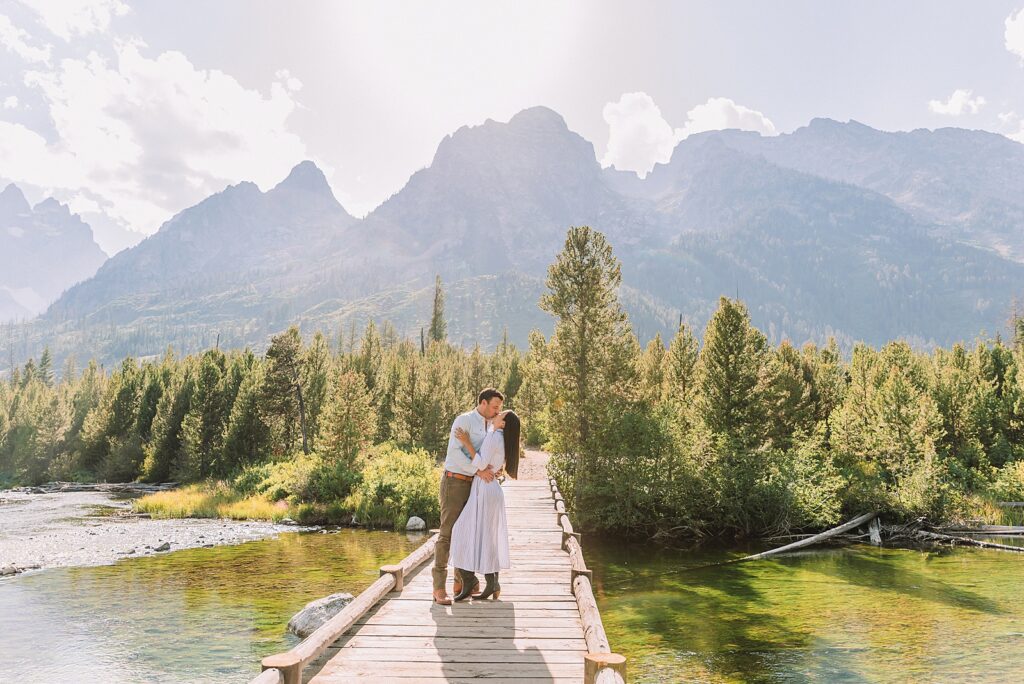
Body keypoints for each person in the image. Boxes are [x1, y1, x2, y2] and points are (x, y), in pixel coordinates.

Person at [432, 388, 504, 606]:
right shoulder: (463, 420)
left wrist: (494, 468)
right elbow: (455, 454)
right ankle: (439, 588)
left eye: (499, 407)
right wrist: (479, 470)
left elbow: (486, 454)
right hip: (454, 482)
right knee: (448, 534)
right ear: (483, 403)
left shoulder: (489, 426)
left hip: (475, 486)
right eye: (494, 406)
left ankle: (462, 583)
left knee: (468, 532)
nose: (496, 410)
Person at [449, 410, 520, 601]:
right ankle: (487, 582)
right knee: (486, 537)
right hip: (489, 489)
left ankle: (474, 581)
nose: (497, 413)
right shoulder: (503, 439)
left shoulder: (494, 436)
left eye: (501, 414)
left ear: (503, 423)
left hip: (485, 490)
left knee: (460, 531)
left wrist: (466, 442)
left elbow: (480, 464)